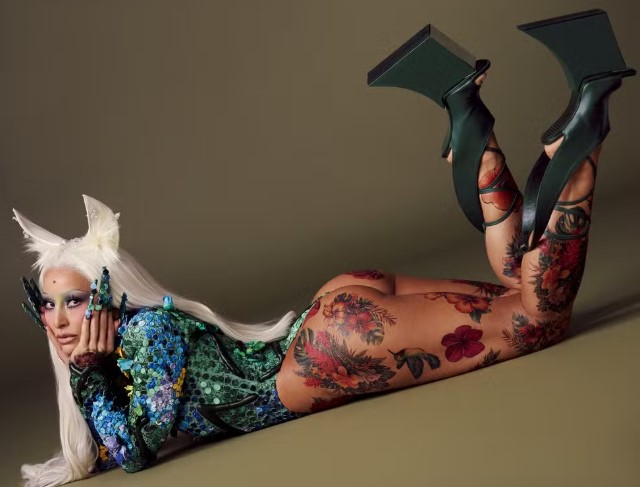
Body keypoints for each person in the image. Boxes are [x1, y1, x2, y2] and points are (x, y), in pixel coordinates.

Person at [13, 9, 635, 487]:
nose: (59, 320)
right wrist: (92, 379)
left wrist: (88, 375)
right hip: (330, 323)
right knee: (518, 294)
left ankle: (585, 122)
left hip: (324, 351)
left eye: (75, 300)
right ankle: (465, 111)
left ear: (111, 296)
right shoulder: (134, 342)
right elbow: (113, 441)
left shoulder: (148, 335)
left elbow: (136, 454)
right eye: (47, 305)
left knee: (538, 319)